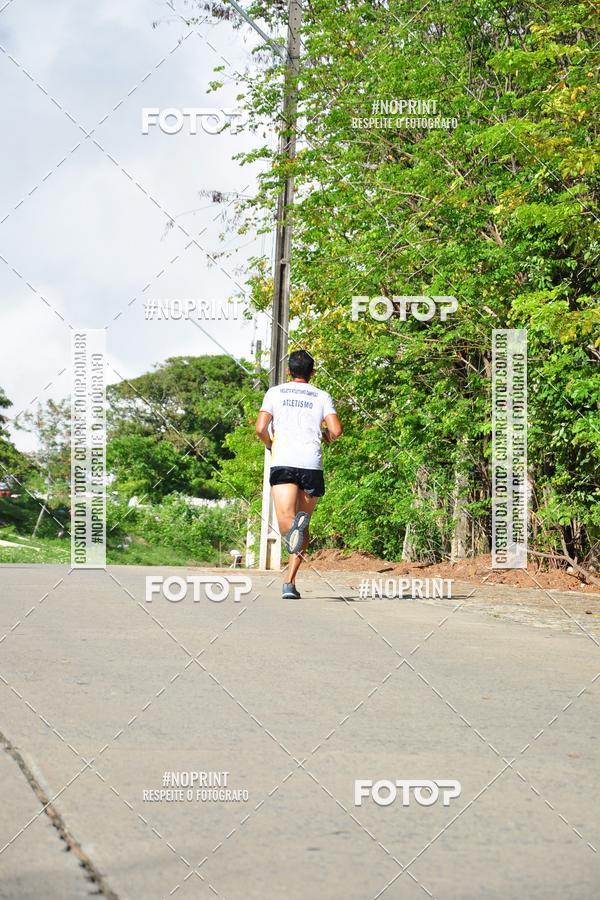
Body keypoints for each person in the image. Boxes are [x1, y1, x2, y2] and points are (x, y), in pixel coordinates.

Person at [255, 349, 342, 599]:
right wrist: (325, 436)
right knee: (303, 525)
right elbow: (336, 430)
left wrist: (270, 444)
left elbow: (260, 427)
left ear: (288, 371)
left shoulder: (275, 392)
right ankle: (289, 582)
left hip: (283, 460)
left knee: (287, 520)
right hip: (310, 463)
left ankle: (293, 531)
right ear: (312, 372)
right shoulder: (322, 395)